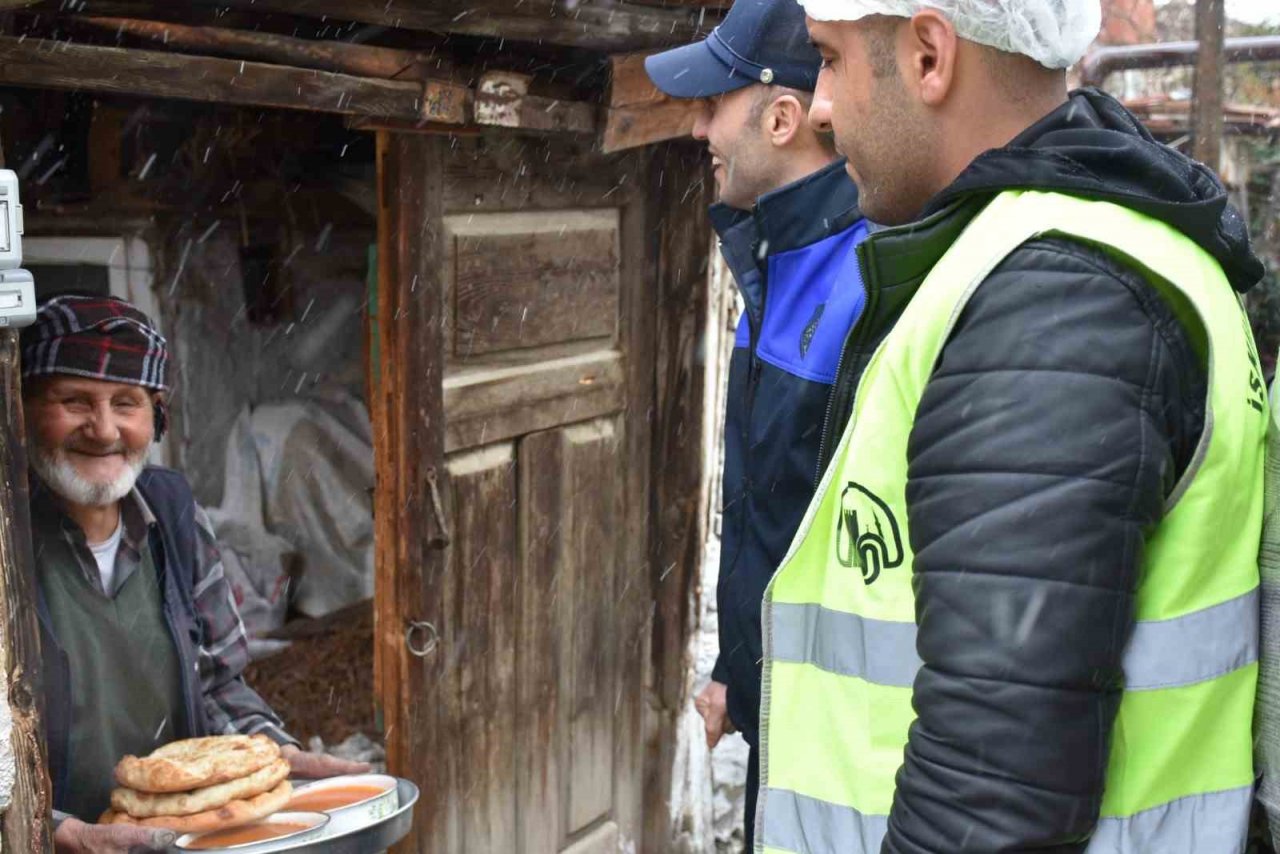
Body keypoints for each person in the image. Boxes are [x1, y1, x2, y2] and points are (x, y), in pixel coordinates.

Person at [754, 0, 1269, 851]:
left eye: (831, 59)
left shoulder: (1057, 302)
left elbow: (990, 801)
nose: (818, 108)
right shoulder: (1083, 251)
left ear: (929, 55)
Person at [20, 295, 370, 854]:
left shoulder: (173, 517)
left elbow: (216, 681)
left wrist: (269, 752)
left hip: (182, 841)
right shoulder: (7, 542)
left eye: (127, 403)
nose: (104, 430)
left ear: (155, 416)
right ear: (22, 410)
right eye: (74, 401)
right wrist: (57, 830)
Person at [644, 1, 871, 848]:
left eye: (714, 104)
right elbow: (779, 518)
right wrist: (737, 672)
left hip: (846, 752)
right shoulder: (775, 265)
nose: (697, 127)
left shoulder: (870, 281)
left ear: (782, 119)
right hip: (785, 724)